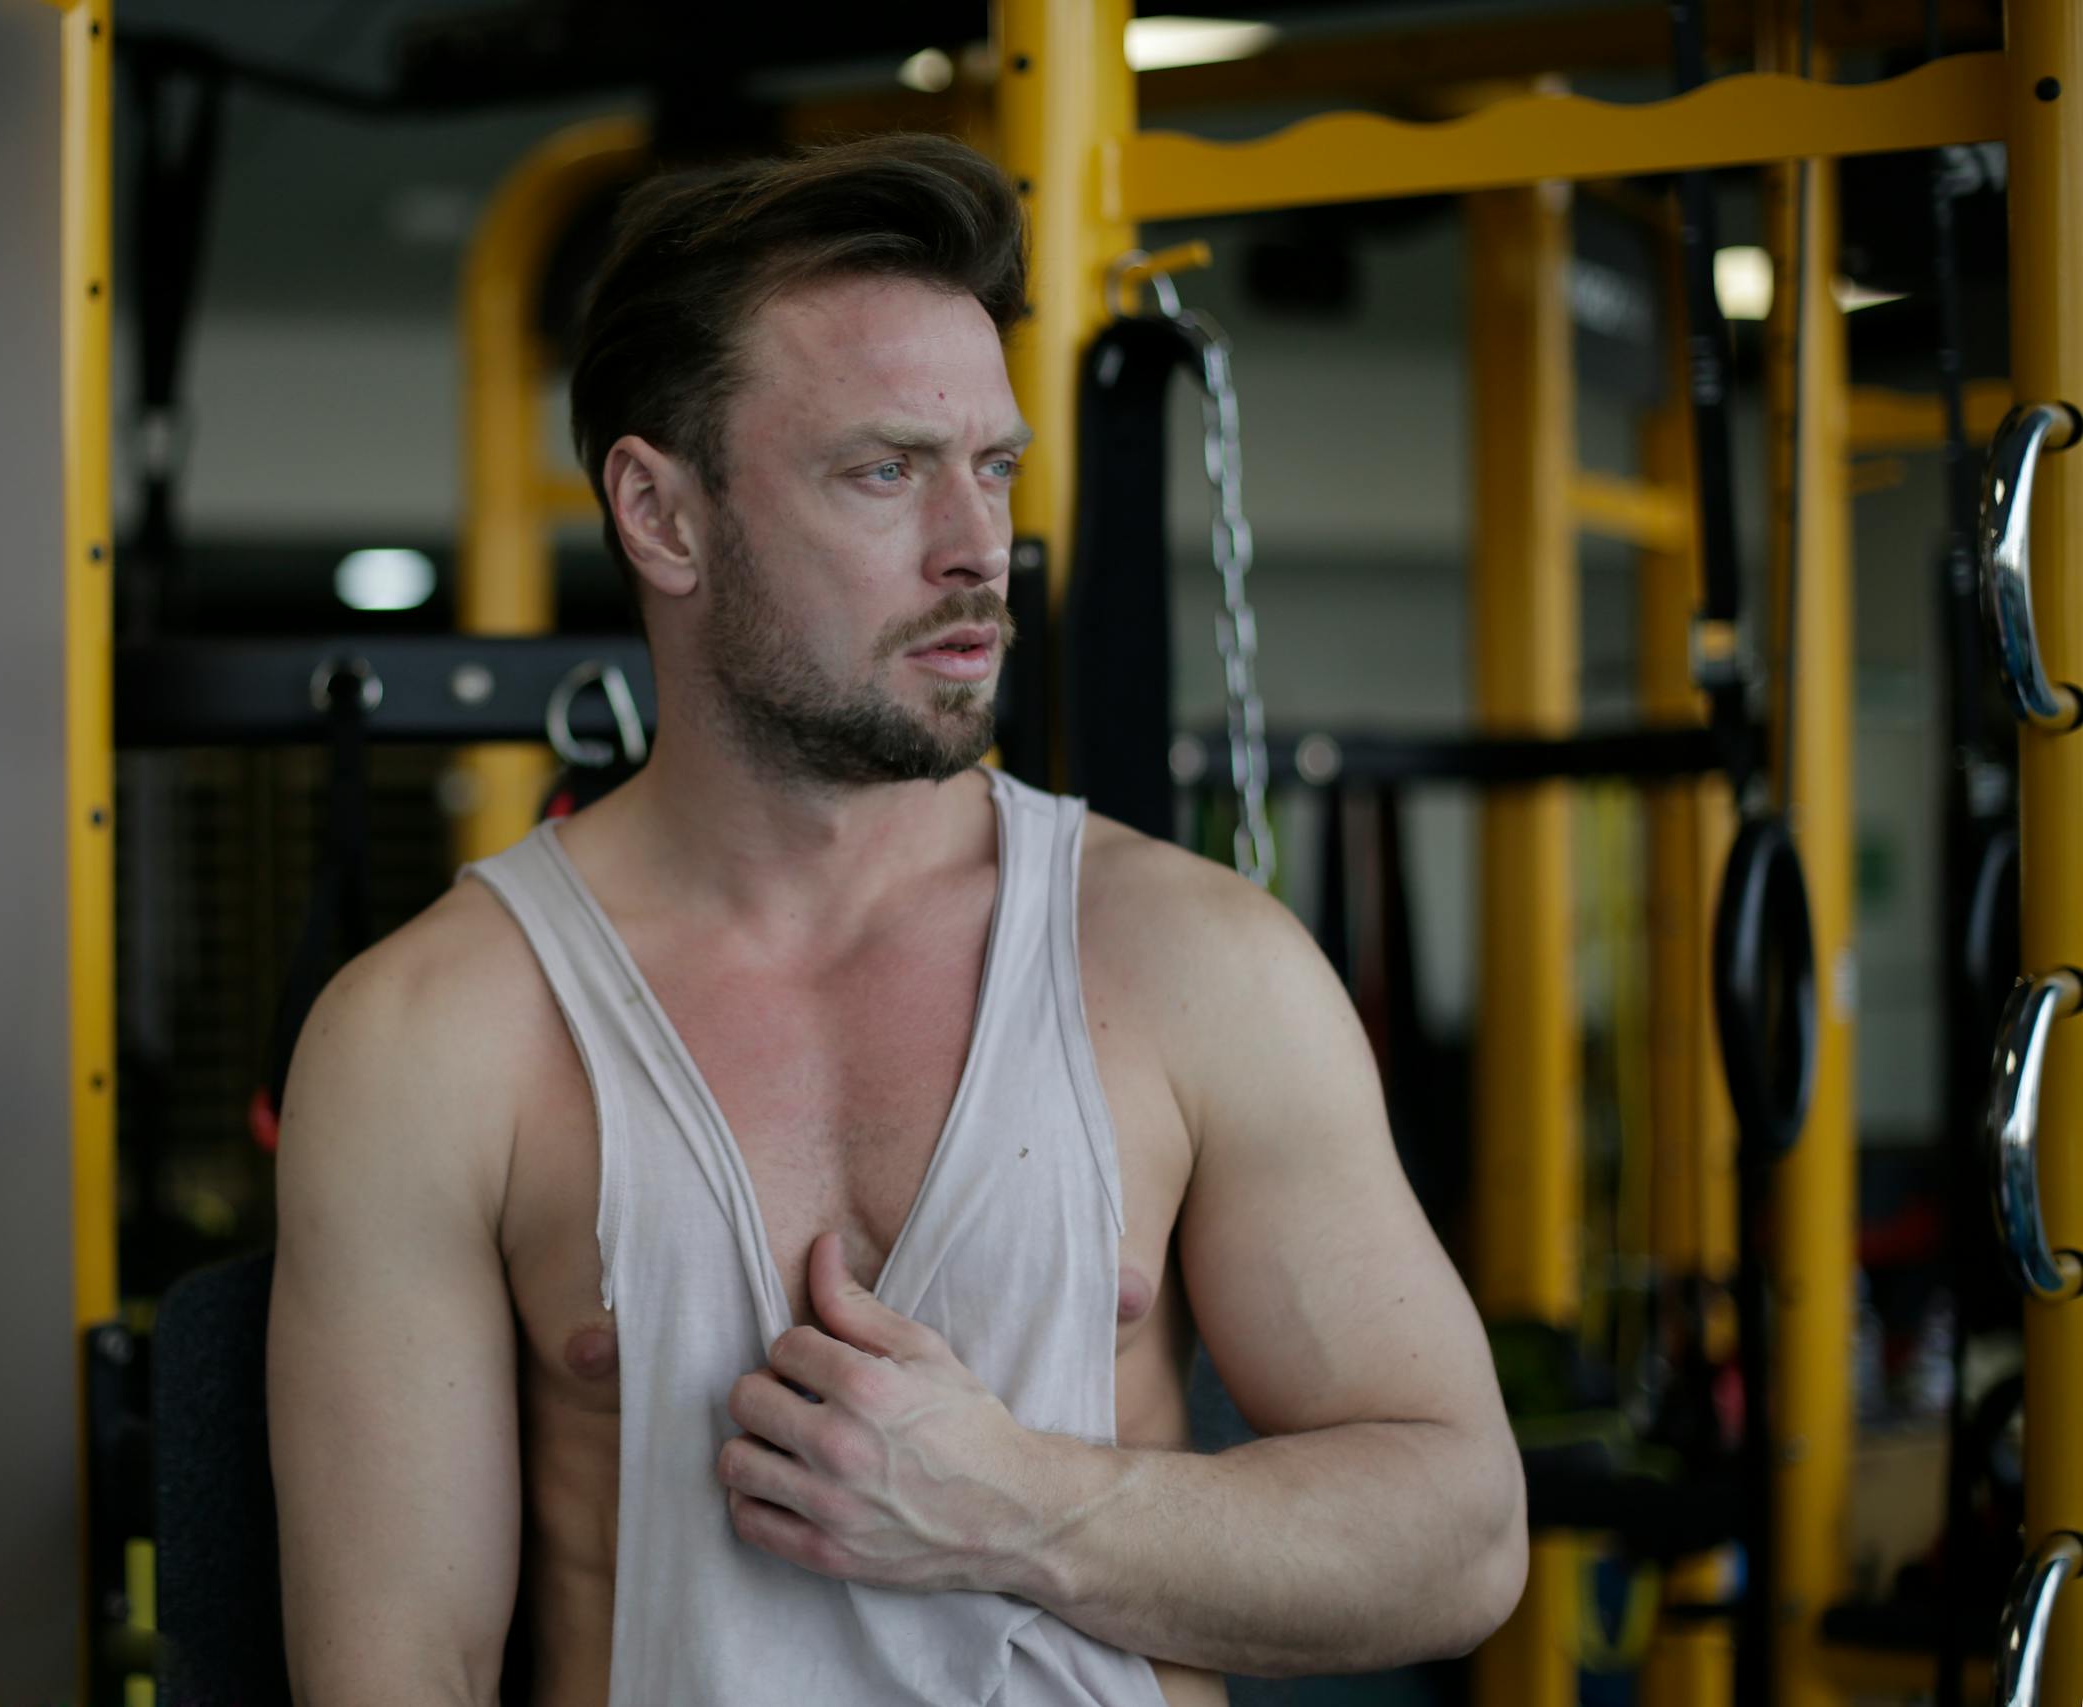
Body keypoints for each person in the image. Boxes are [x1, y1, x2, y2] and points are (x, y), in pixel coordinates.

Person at [267, 133, 1526, 1707]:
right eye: (884, 470)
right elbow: (399, 1669)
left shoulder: (1197, 965)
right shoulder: (432, 1037)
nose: (976, 547)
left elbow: (1459, 1537)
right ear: (662, 515)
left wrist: (1018, 1507)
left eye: (992, 467)